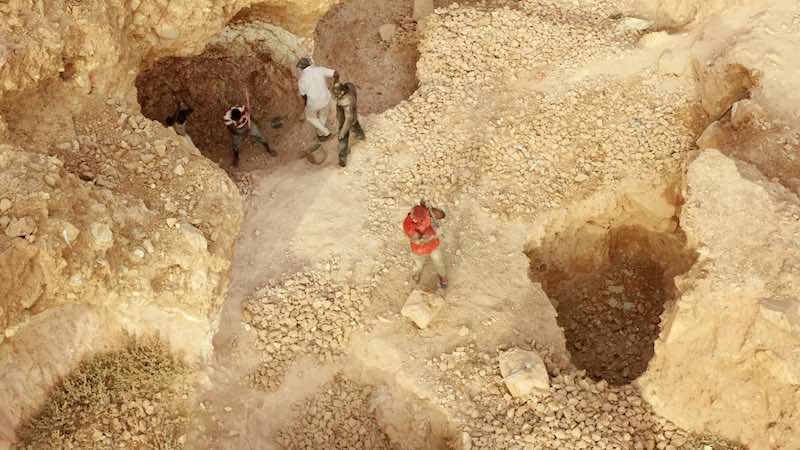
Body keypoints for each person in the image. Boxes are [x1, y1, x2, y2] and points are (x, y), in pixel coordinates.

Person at [223, 89, 277, 166]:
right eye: (236, 120)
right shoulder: (226, 116)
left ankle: (269, 149)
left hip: (249, 124)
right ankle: (236, 157)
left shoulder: (242, 109)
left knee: (260, 136)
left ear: (241, 114)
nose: (238, 120)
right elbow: (230, 128)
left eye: (239, 118)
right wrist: (240, 133)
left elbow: (249, 115)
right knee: (236, 144)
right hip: (238, 130)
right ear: (232, 117)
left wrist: (255, 121)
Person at [403, 200, 448, 289]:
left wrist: (436, 212)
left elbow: (437, 214)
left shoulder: (422, 211)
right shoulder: (409, 226)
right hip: (419, 249)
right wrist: (435, 235)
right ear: (415, 219)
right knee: (418, 264)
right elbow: (419, 242)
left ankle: (442, 277)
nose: (427, 216)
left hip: (433, 245)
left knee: (439, 262)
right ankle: (417, 274)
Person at [297, 57, 339, 141]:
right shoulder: (319, 70)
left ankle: (327, 133)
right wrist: (335, 84)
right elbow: (336, 73)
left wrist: (306, 105)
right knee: (323, 115)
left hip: (314, 103)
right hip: (326, 98)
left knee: (310, 117)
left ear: (301, 68)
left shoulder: (301, 80)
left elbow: (304, 95)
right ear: (309, 64)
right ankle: (320, 134)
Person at [333, 81, 366, 167]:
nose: (335, 96)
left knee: (344, 137)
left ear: (343, 92)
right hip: (348, 114)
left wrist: (342, 132)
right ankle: (361, 136)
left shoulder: (347, 102)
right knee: (355, 124)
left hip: (348, 118)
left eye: (337, 94)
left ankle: (342, 159)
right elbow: (349, 85)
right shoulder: (347, 89)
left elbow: (348, 119)